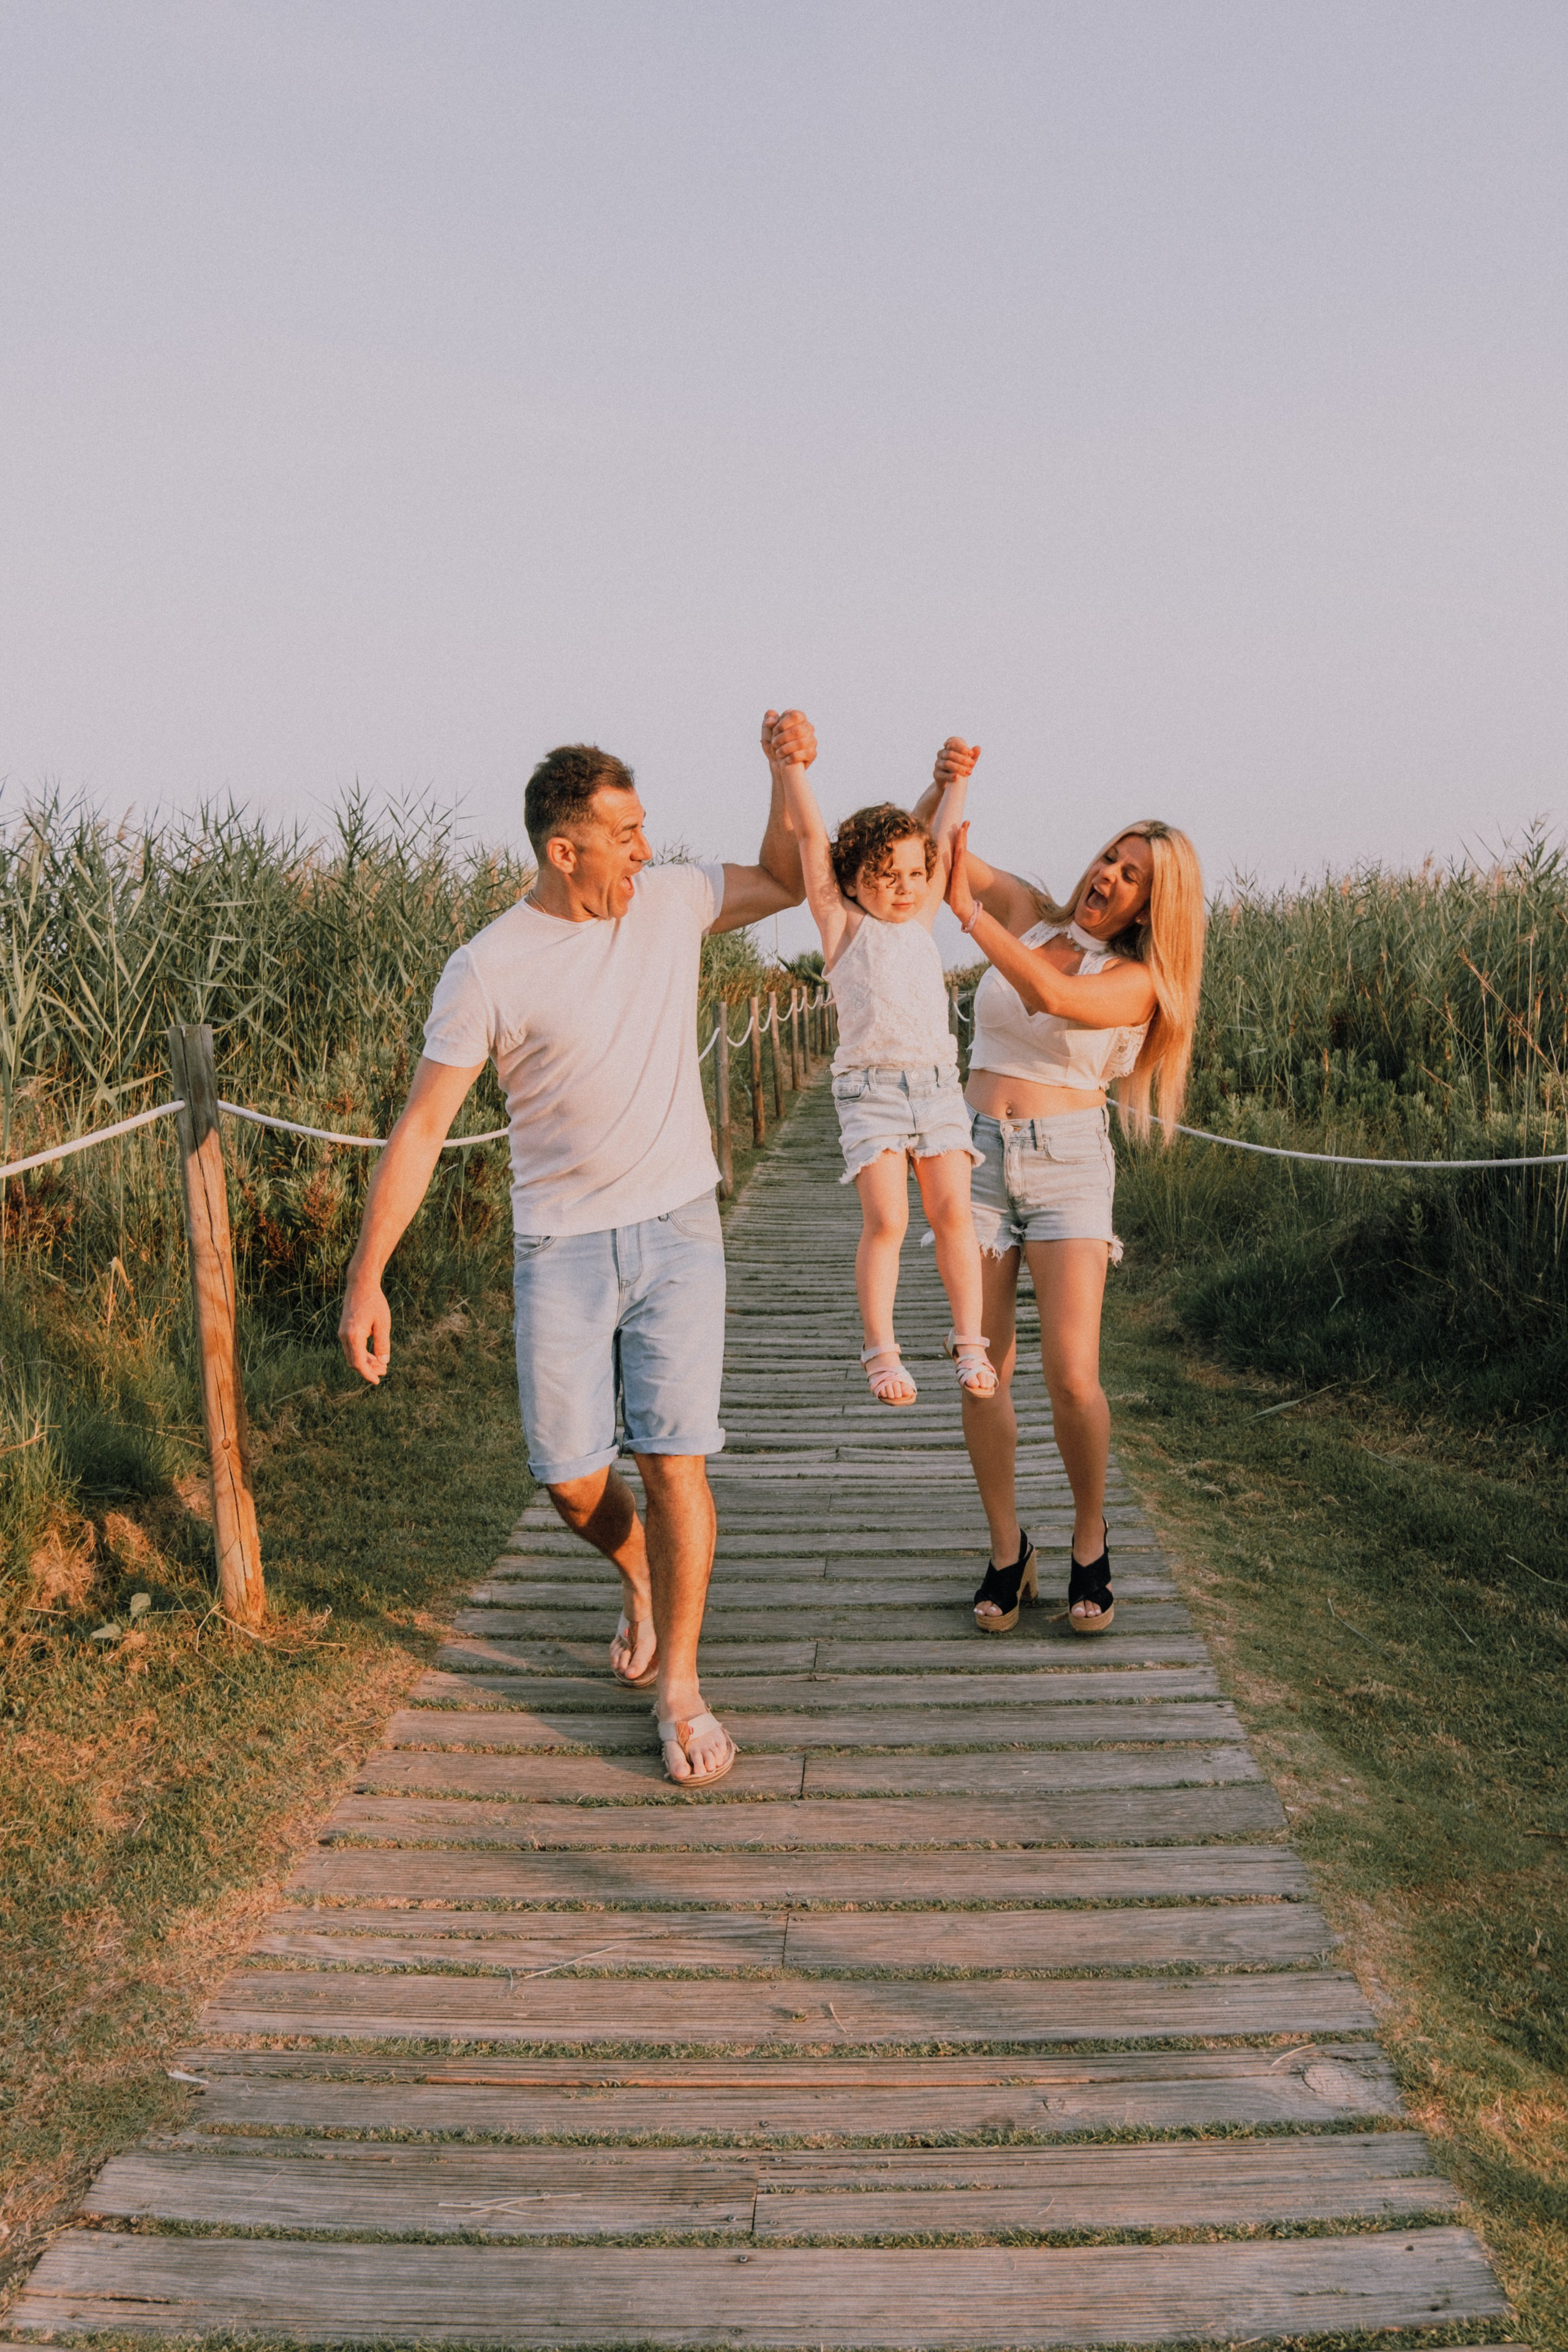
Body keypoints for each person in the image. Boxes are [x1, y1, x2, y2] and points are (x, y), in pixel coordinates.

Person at [337, 718, 810, 1786]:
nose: (645, 848)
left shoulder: (673, 901)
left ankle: (682, 1683)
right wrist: (369, 1276)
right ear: (565, 849)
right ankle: (638, 1572)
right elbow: (421, 1128)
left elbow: (787, 877)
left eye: (643, 829)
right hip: (561, 1245)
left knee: (674, 1458)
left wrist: (785, 771)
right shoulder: (487, 968)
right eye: (625, 834)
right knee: (569, 1480)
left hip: (680, 1228)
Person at [919, 744, 1205, 1635]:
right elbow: (935, 857)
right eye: (1110, 858)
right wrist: (948, 782)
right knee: (981, 1366)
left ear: (1152, 907)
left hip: (1068, 1161)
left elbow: (1046, 994)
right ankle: (1009, 1550)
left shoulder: (1138, 983)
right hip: (975, 1154)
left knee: (1073, 1376)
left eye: (1132, 876)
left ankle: (1090, 1540)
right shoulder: (1031, 911)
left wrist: (968, 915)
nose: (1107, 876)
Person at [772, 729, 997, 1406]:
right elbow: (812, 841)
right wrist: (793, 768)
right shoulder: (842, 926)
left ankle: (969, 1341)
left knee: (955, 1214)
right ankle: (881, 1349)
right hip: (871, 1089)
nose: (904, 887)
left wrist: (959, 778)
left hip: (936, 1085)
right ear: (852, 881)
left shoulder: (921, 920)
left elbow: (943, 834)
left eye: (914, 874)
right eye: (885, 875)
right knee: (889, 1222)